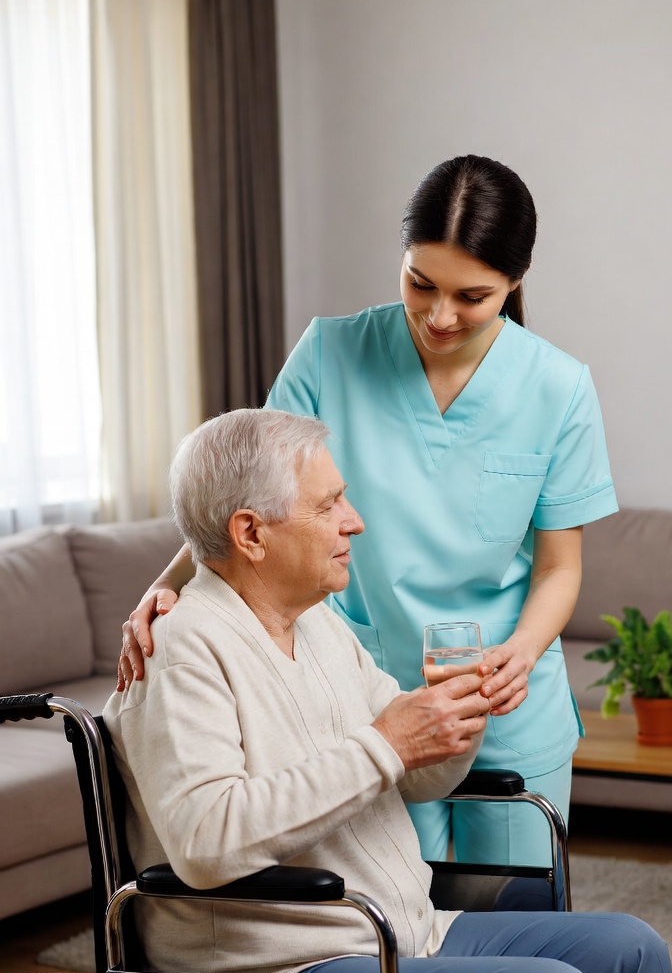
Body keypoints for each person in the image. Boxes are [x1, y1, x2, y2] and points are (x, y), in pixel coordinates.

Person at [104, 408, 672, 973]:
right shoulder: (181, 649)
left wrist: (453, 724)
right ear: (251, 533)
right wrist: (388, 743)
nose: (353, 521)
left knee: (630, 953)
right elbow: (206, 840)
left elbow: (413, 776)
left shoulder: (319, 626)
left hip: (401, 936)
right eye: (329, 504)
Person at [119, 154, 617, 867]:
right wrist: (167, 585)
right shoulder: (330, 353)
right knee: (396, 908)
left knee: (517, 904)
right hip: (364, 698)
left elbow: (559, 568)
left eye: (472, 296)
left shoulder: (559, 388)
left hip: (501, 694)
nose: (440, 316)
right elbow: (249, 501)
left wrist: (524, 653)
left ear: (516, 280)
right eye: (421, 283)